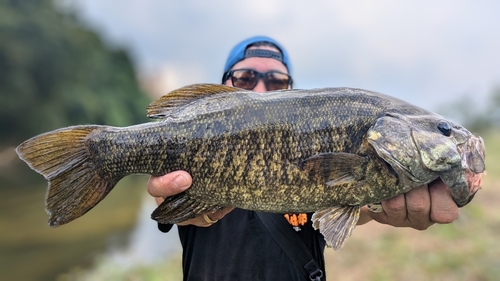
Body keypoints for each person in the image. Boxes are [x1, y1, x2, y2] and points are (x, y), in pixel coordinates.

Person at [147, 36, 460, 280]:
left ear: (292, 94)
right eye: (244, 78)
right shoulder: (193, 138)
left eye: (277, 82)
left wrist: (382, 204)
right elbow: (167, 202)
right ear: (222, 86)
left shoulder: (320, 150)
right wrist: (177, 205)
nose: (260, 88)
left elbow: (358, 207)